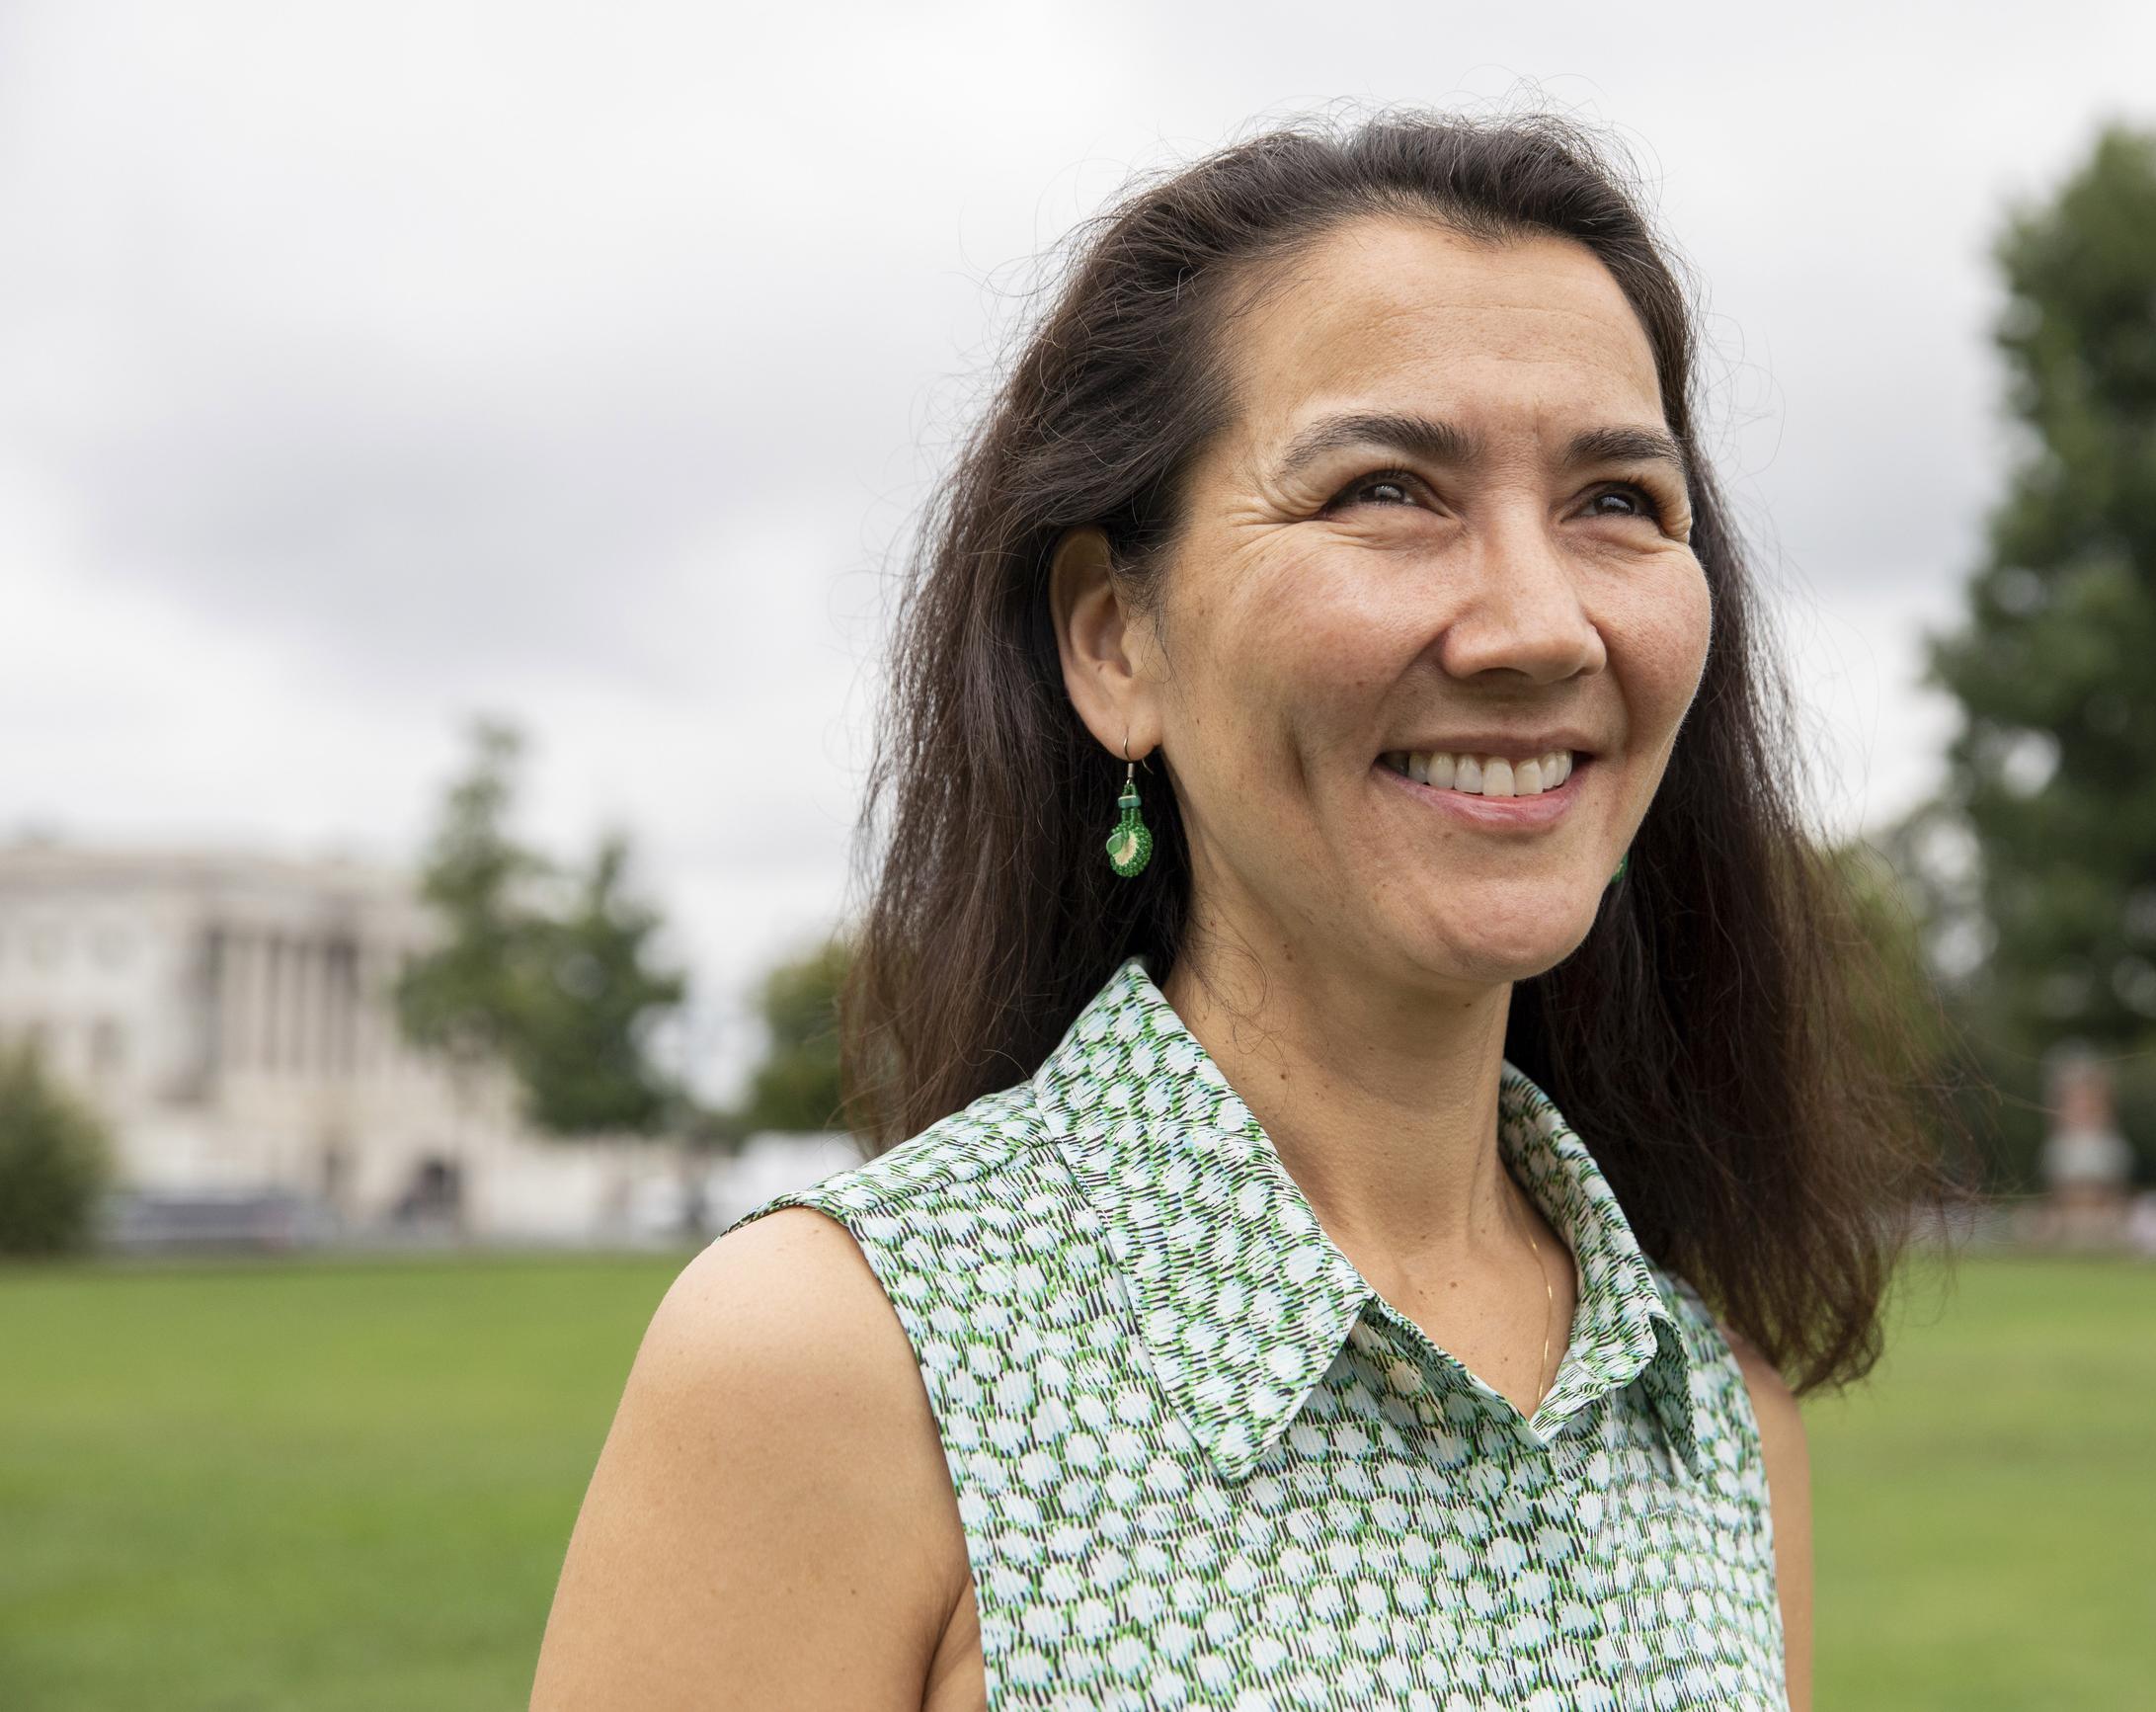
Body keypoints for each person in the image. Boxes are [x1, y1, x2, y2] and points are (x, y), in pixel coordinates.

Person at [531, 105, 1955, 1712]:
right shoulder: (837, 1364)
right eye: (1386, 491)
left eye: (1618, 500)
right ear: (1114, 640)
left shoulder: (1714, 1415)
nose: (1539, 625)